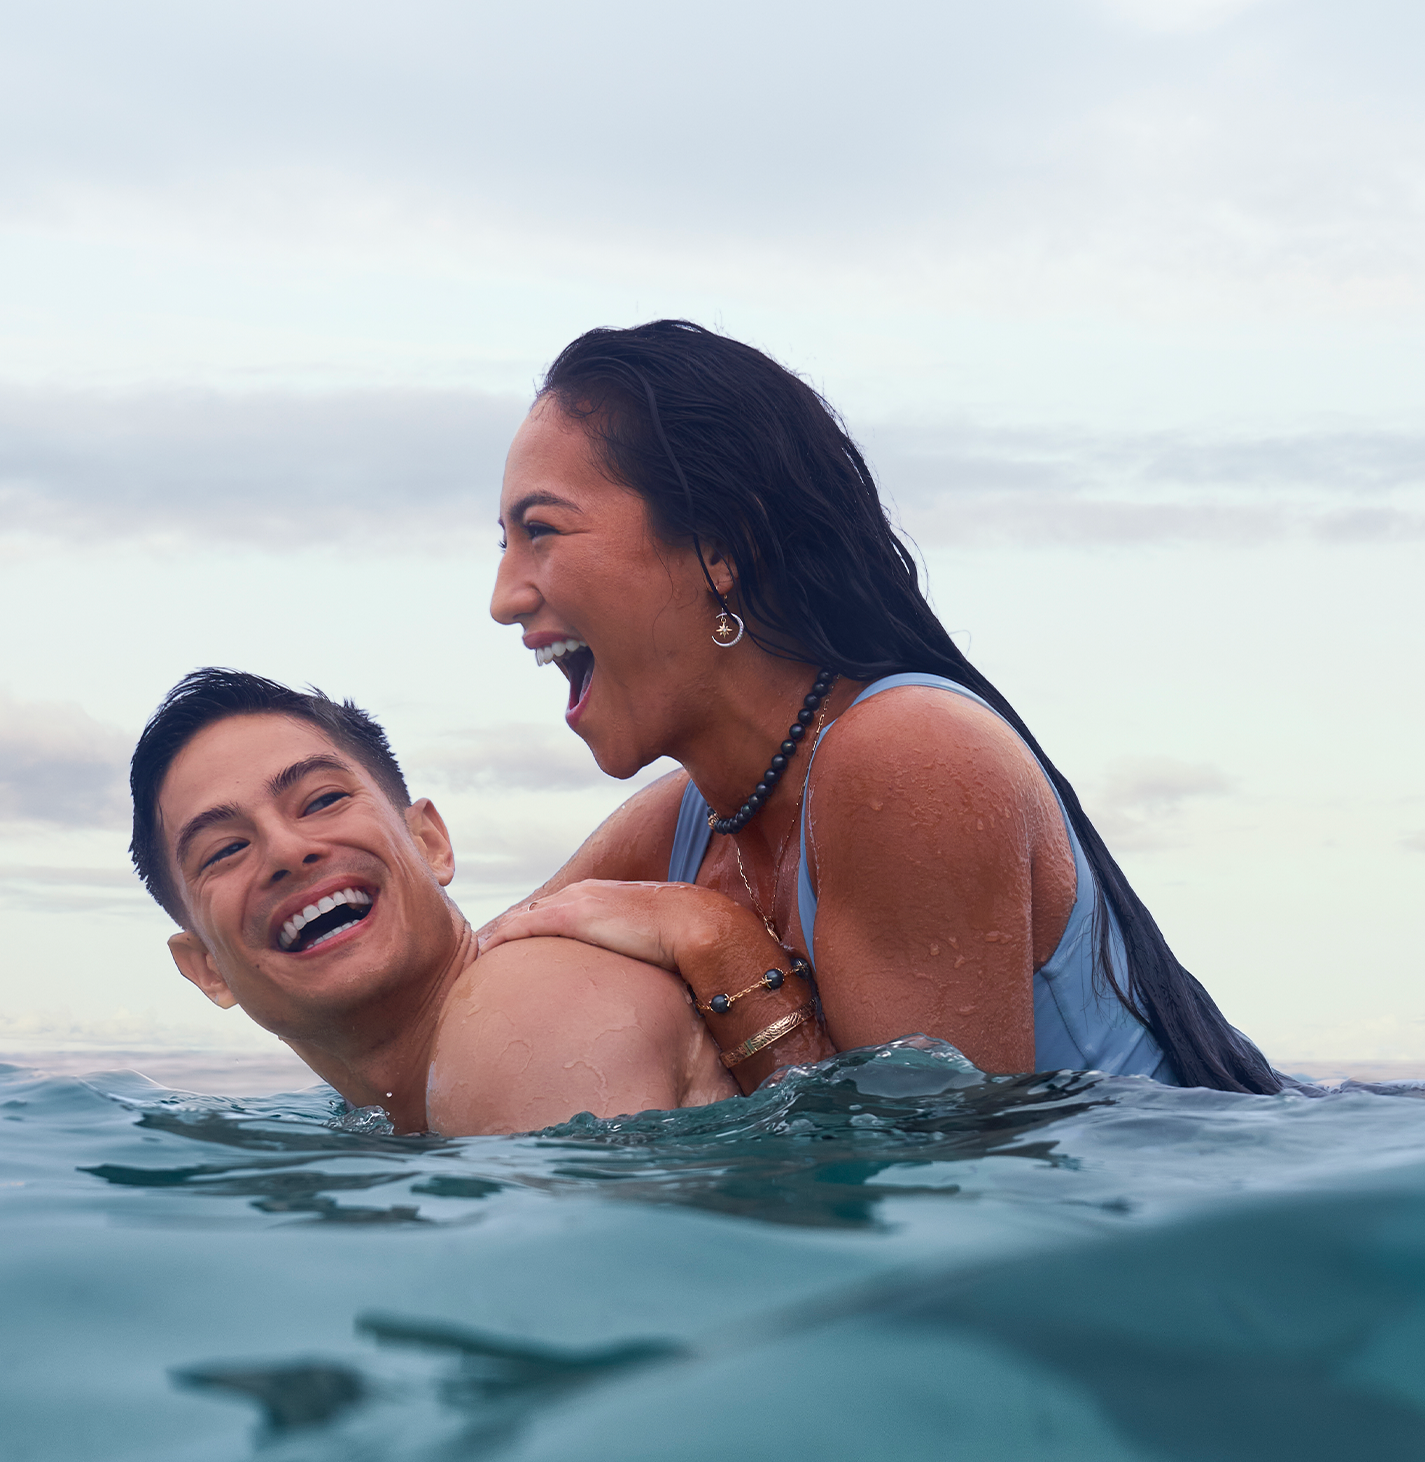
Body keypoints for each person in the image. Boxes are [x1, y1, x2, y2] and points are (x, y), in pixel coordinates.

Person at [480, 320, 1282, 1094]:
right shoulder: (679, 827)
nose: (502, 598)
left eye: (540, 530)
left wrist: (715, 942)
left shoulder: (911, 753)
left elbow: (928, 1179)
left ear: (720, 548)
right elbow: (448, 1004)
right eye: (503, 544)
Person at [127, 668, 741, 1134]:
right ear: (206, 968)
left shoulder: (529, 1003)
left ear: (430, 843)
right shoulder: (399, 1106)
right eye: (225, 849)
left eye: (321, 801)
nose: (288, 850)